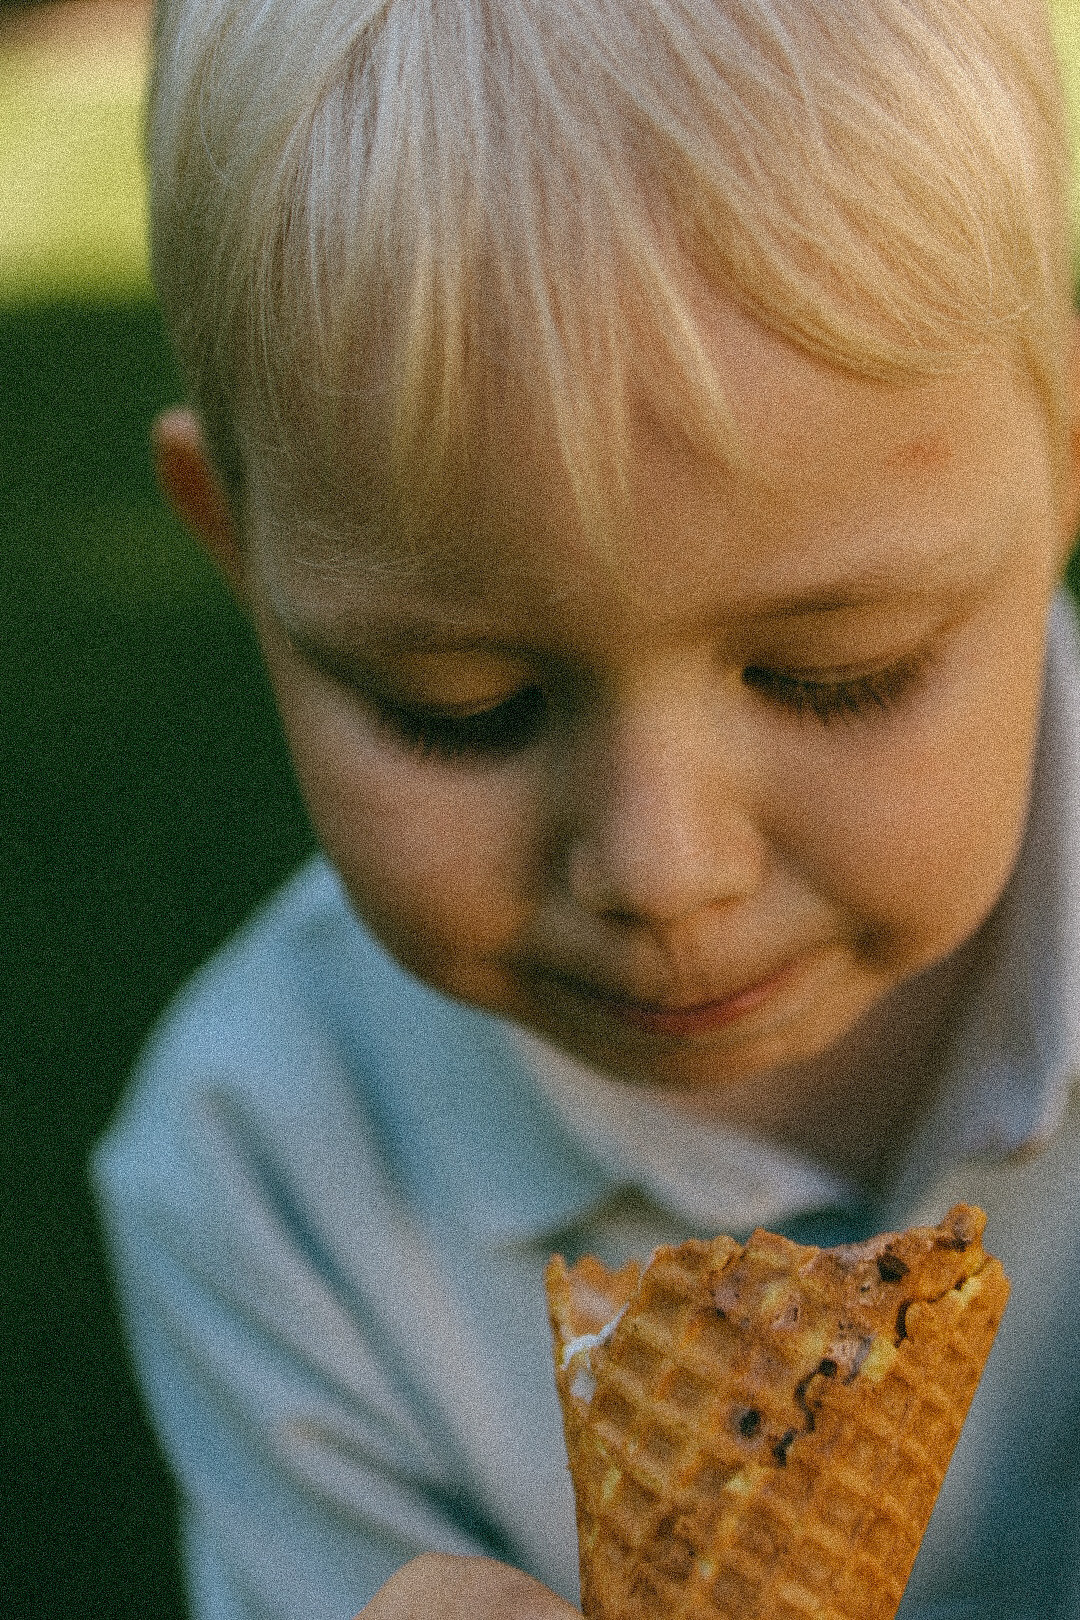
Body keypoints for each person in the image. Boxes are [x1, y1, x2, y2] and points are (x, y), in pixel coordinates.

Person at [93, 0, 1080, 1615]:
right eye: (461, 707)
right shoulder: (260, 1173)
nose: (662, 868)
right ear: (243, 554)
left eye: (836, 674)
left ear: (1064, 464)